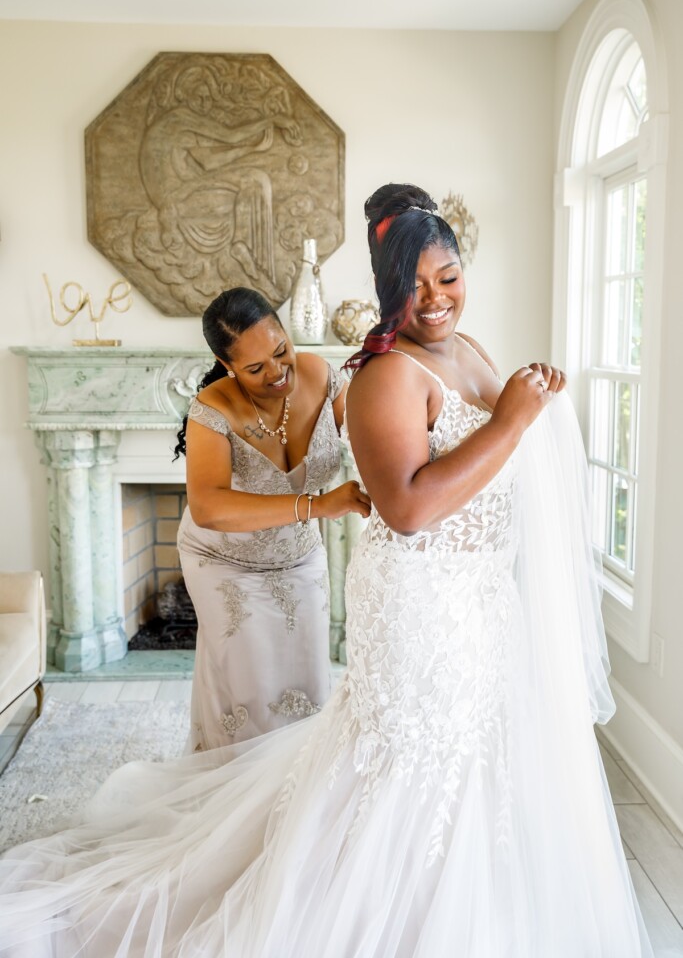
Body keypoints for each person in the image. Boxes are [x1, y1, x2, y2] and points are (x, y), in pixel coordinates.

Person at [0, 186, 652, 957]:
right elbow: (405, 507)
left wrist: (529, 400)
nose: (434, 298)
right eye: (413, 284)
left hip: (474, 598)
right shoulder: (381, 377)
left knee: (470, 754)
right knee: (405, 752)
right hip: (413, 601)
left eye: (446, 277)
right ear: (385, 290)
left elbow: (482, 455)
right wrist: (511, 420)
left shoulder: (465, 351)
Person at [174, 286, 370, 749]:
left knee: (307, 686)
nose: (278, 373)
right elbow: (208, 507)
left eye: (281, 351)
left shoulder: (325, 379)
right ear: (227, 367)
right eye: (255, 368)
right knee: (249, 693)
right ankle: (235, 793)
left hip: (299, 556)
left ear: (285, 332)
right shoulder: (211, 411)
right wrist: (317, 506)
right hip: (223, 562)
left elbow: (371, 443)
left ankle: (296, 803)